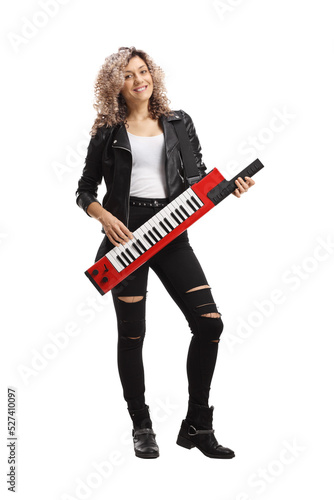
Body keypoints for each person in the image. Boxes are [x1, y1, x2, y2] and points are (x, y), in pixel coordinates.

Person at [75, 46, 255, 459]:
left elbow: (198, 180)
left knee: (210, 325)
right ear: (115, 85)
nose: (140, 79)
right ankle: (141, 425)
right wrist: (102, 216)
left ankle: (197, 425)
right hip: (126, 238)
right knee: (132, 335)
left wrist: (231, 188)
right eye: (128, 75)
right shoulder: (106, 130)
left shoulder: (178, 122)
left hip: (171, 232)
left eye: (143, 71)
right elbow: (84, 190)